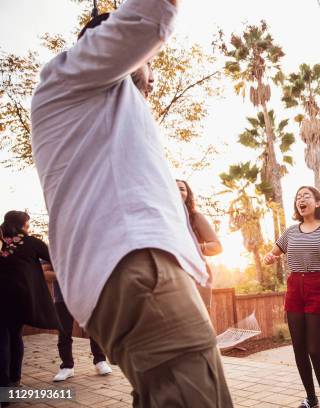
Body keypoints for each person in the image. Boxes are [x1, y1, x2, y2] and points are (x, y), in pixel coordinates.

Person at [30, 0, 232, 405]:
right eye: (149, 62)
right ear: (107, 43)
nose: (153, 76)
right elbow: (151, 14)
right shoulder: (69, 75)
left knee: (159, 393)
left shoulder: (94, 107)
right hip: (138, 268)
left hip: (130, 274)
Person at [264, 186, 320, 408]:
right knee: (298, 348)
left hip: (319, 285)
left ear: (318, 203)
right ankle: (310, 398)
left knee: (313, 348)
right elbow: (274, 252)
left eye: (306, 196)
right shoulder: (291, 231)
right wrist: (270, 257)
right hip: (294, 288)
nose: (301, 199)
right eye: (298, 196)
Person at [0, 211, 58, 392]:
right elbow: (57, 259)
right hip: (19, 298)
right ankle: (13, 382)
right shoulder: (31, 242)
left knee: (2, 339)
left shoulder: (1, 243)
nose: (29, 228)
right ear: (21, 225)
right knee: (15, 336)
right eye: (27, 224)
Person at [49, 272, 112, 382]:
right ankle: (67, 367)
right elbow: (45, 273)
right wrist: (69, 271)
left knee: (94, 327)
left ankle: (100, 361)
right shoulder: (54, 253)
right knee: (64, 332)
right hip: (62, 297)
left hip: (88, 294)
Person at [176, 179, 222, 308]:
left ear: (188, 194)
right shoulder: (164, 219)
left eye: (182, 189)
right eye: (174, 188)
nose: (178, 192)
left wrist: (194, 247)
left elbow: (217, 247)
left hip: (196, 276)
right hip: (173, 277)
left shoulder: (195, 217)